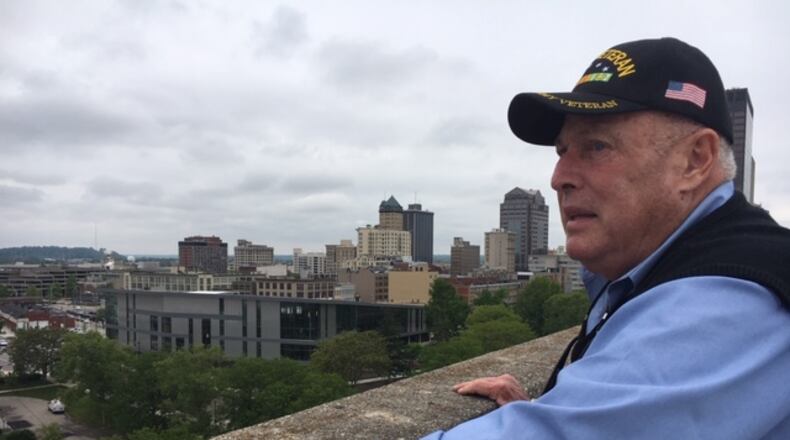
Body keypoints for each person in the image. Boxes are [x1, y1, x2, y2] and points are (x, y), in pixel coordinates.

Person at [422, 37, 790, 439]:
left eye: (596, 146)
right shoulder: (673, 265)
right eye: (562, 151)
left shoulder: (726, 303)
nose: (559, 177)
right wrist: (551, 410)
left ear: (694, 161)